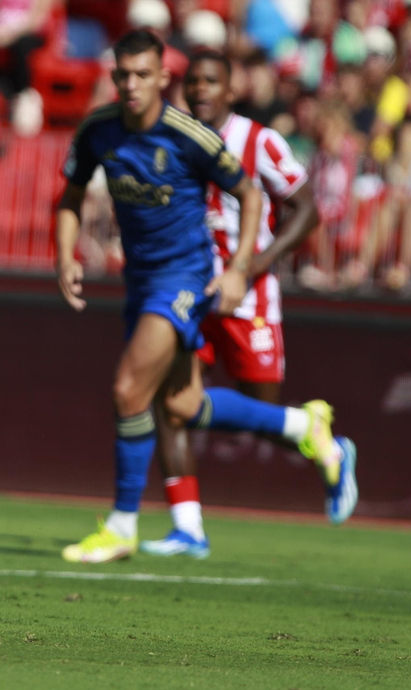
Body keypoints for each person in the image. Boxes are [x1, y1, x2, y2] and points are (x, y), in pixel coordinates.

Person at [54, 29, 353, 564]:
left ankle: (122, 525)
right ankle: (298, 429)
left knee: (129, 389)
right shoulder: (100, 129)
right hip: (146, 281)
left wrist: (243, 268)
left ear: (162, 79)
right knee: (182, 404)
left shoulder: (201, 137)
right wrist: (65, 254)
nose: (131, 85)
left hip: (192, 280)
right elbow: (71, 195)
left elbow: (259, 194)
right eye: (122, 75)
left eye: (143, 74)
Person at [144, 51, 354, 559]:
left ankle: (323, 441)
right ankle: (188, 528)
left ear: (230, 90)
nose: (200, 91)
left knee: (262, 414)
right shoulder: (173, 139)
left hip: (249, 298)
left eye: (211, 81)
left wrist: (250, 268)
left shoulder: (259, 141)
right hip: (191, 296)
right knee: (171, 405)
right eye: (193, 81)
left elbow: (306, 211)